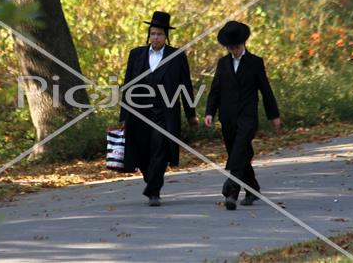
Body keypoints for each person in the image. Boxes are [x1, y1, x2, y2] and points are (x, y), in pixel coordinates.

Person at [119, 11, 198, 207]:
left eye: (159, 34)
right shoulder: (136, 54)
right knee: (143, 151)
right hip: (139, 112)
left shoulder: (177, 56)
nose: (156, 38)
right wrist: (123, 115)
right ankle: (151, 179)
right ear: (149, 35)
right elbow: (127, 85)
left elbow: (185, 85)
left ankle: (154, 191)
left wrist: (191, 114)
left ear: (166, 36)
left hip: (165, 113)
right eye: (153, 34)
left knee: (160, 148)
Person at [204, 20, 281, 210]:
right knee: (239, 153)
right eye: (230, 48)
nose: (234, 51)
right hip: (228, 117)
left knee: (239, 151)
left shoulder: (255, 62)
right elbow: (215, 90)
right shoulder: (223, 64)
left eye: (237, 47)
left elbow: (265, 90)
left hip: (248, 116)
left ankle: (231, 191)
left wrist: (274, 115)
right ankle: (252, 189)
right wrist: (209, 112)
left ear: (243, 44)